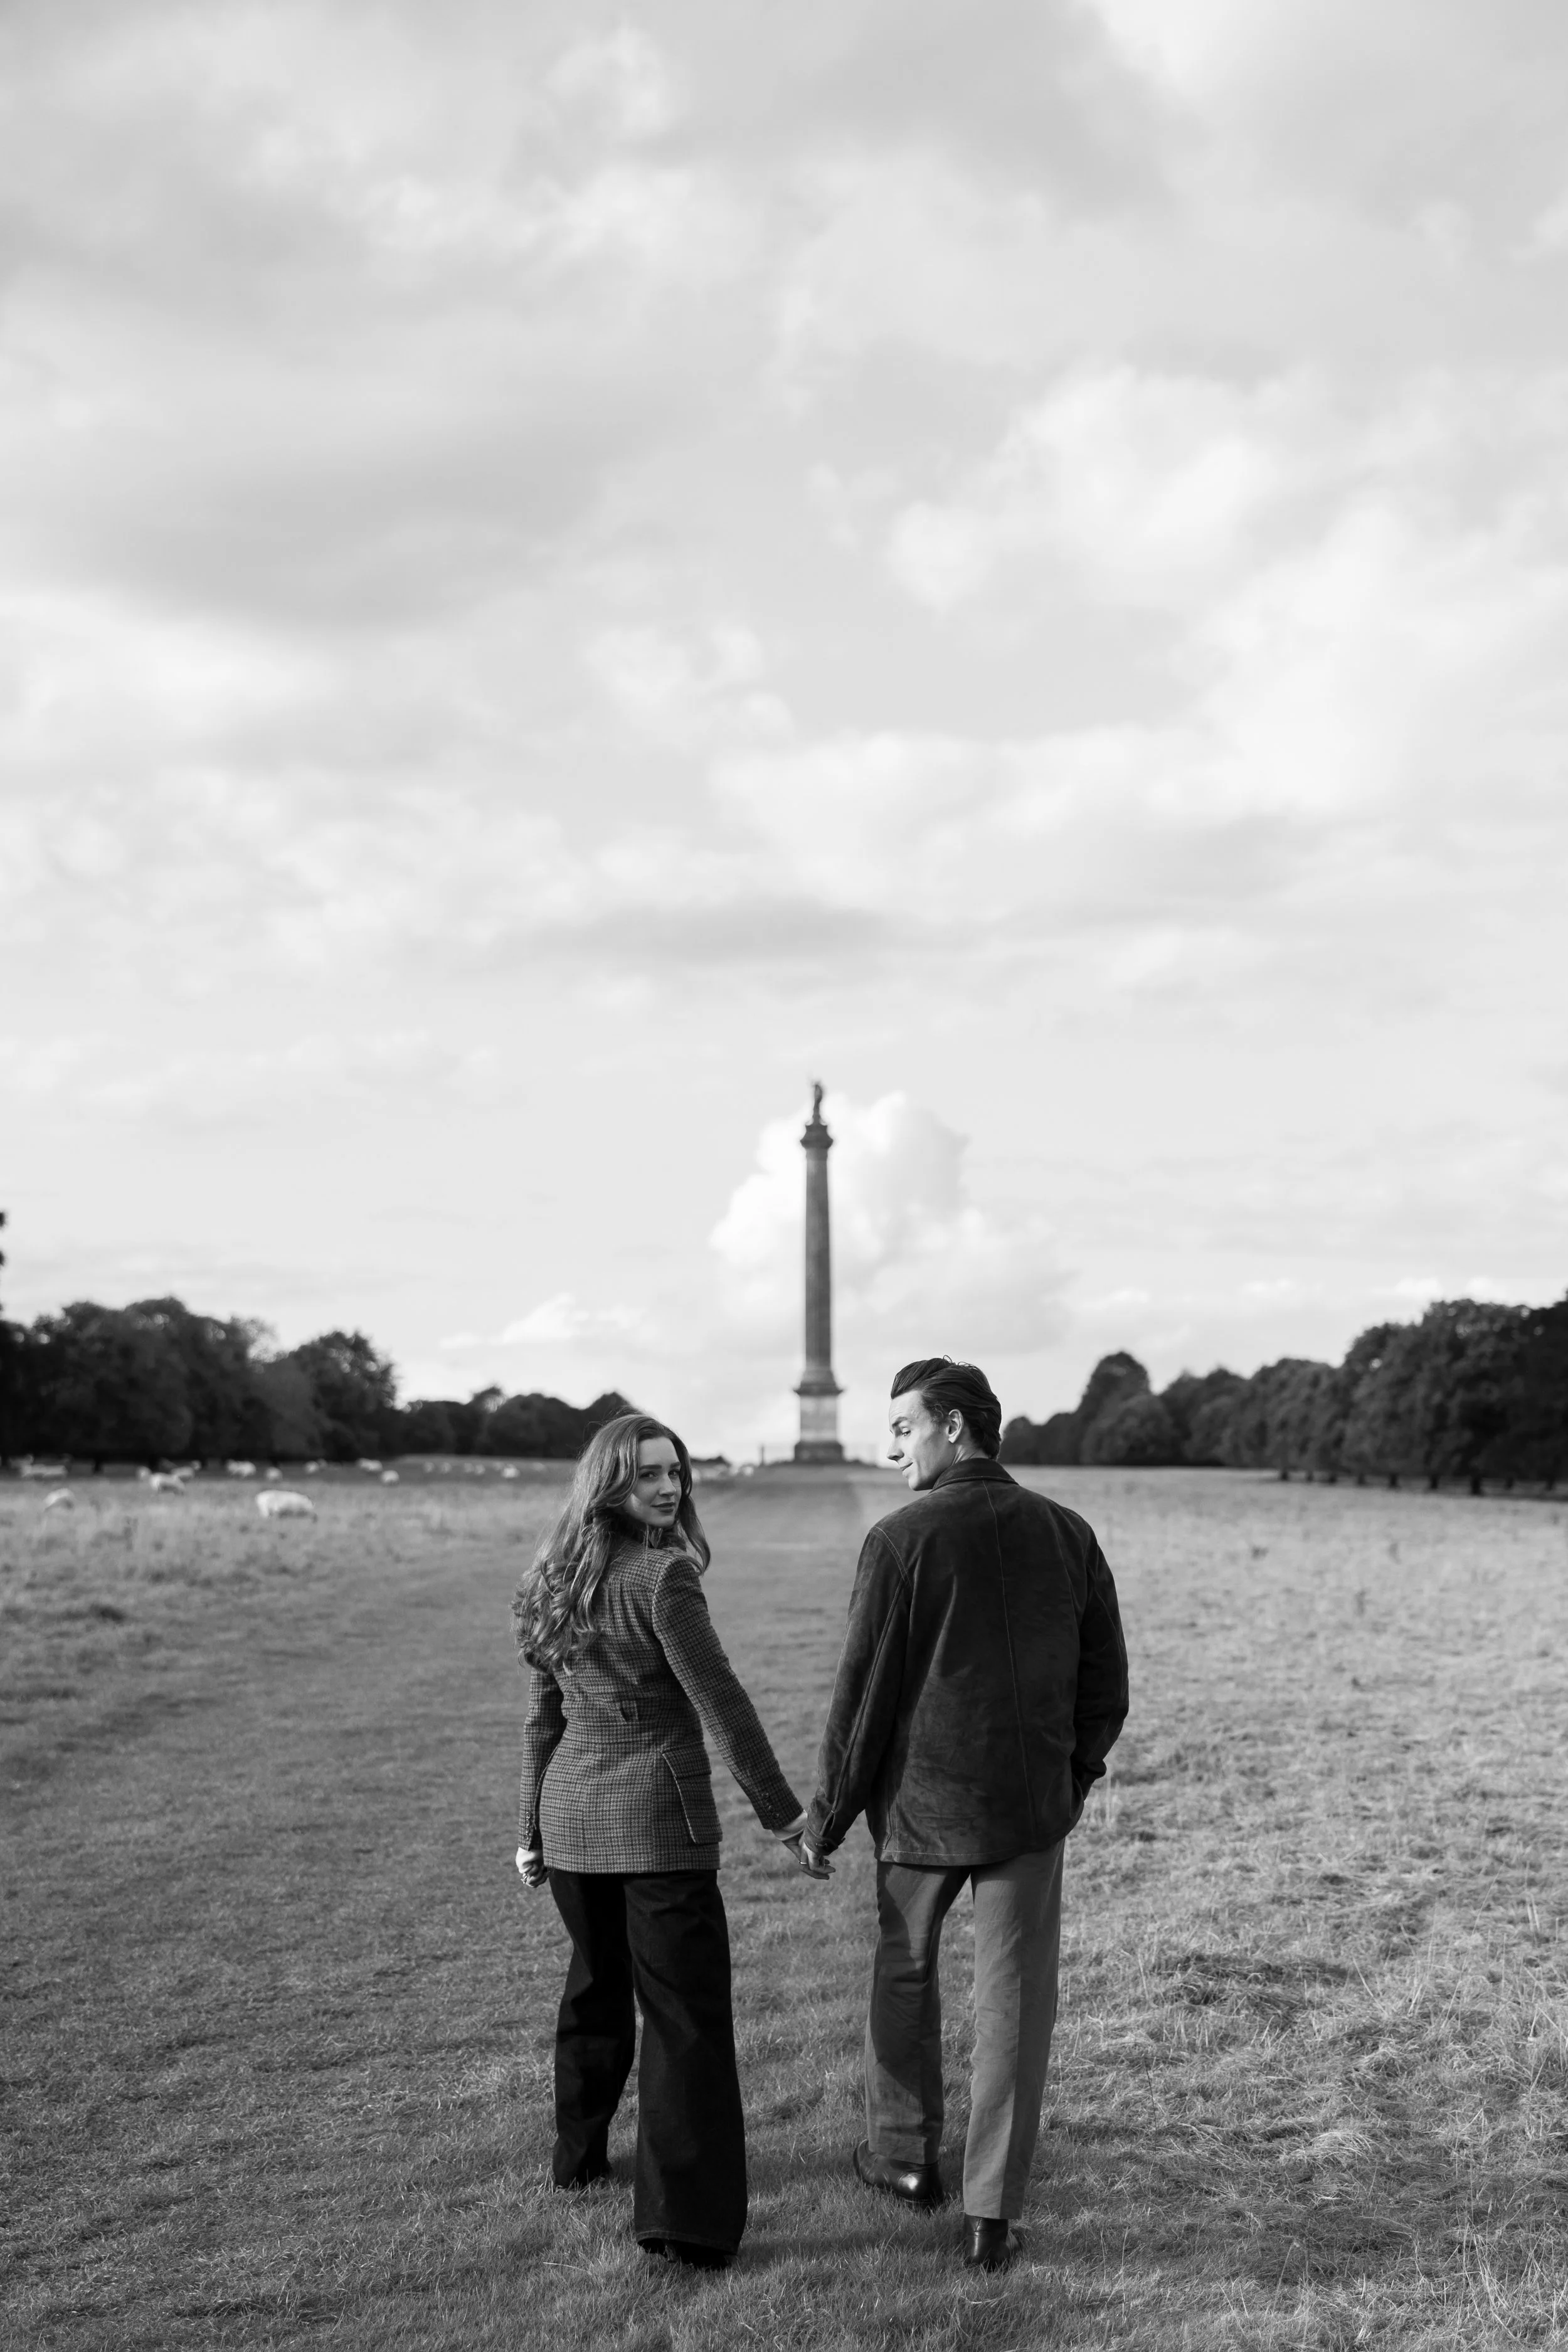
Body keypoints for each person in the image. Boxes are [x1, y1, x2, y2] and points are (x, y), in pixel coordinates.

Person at [795, 1357, 1128, 2272]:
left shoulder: (900, 1538)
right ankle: (993, 2213)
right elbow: (1109, 1686)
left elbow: (863, 1699)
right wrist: (1072, 1778)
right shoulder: (1068, 1531)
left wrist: (825, 1816)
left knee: (904, 1973)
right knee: (1016, 2001)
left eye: (903, 1425)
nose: (892, 1442)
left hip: (922, 1807)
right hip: (1031, 1809)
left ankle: (904, 2160)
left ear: (952, 1425)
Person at [513, 1411, 817, 2270]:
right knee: (682, 2020)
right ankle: (684, 2220)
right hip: (657, 1828)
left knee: (596, 1988)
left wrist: (533, 1828)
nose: (669, 1486)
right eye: (649, 1473)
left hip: (575, 1824)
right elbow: (721, 1701)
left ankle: (577, 2162)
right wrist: (784, 1815)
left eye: (676, 1470)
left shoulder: (549, 1578)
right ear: (608, 1483)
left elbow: (543, 1721)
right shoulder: (662, 1579)